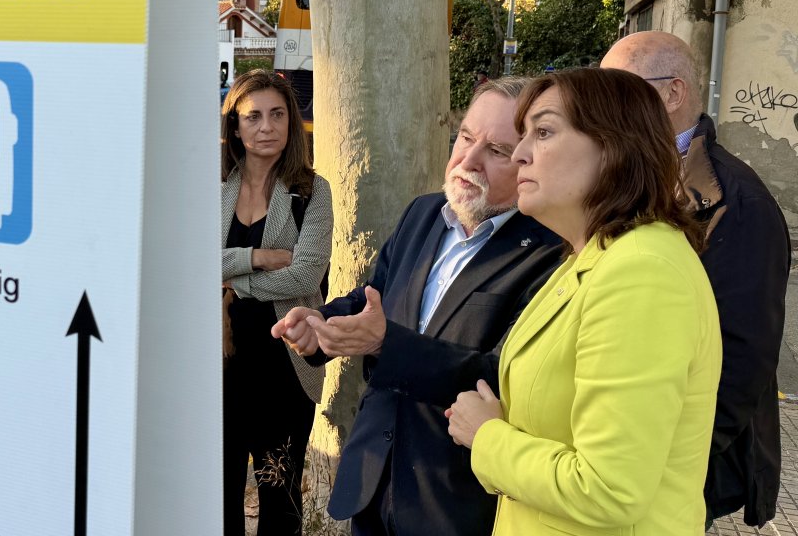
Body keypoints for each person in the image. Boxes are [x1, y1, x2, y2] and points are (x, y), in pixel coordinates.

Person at [272, 77, 563, 535]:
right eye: (466, 137)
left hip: (451, 499)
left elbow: (505, 375)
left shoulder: (552, 253)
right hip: (372, 476)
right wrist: (322, 325)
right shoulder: (424, 213)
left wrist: (387, 344)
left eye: (497, 151)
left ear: (529, 162)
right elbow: (374, 298)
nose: (468, 160)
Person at [447, 67, 721, 536]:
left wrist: (487, 437)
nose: (520, 154)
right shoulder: (595, 255)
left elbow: (609, 488)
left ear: (613, 148)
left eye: (544, 132)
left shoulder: (642, 272)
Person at [601, 31, 791, 527]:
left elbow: (740, 363)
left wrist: (673, 466)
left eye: (616, 90)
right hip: (620, 455)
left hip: (670, 471)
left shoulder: (738, 204)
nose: (598, 108)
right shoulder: (630, 175)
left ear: (672, 94)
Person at [221, 70, 332, 536]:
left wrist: (233, 283)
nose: (266, 127)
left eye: (277, 115)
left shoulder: (312, 191)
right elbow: (186, 263)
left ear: (291, 123)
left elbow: (306, 273)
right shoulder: (213, 187)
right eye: (253, 117)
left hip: (285, 368)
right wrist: (257, 257)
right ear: (235, 127)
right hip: (220, 366)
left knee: (279, 499)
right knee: (216, 493)